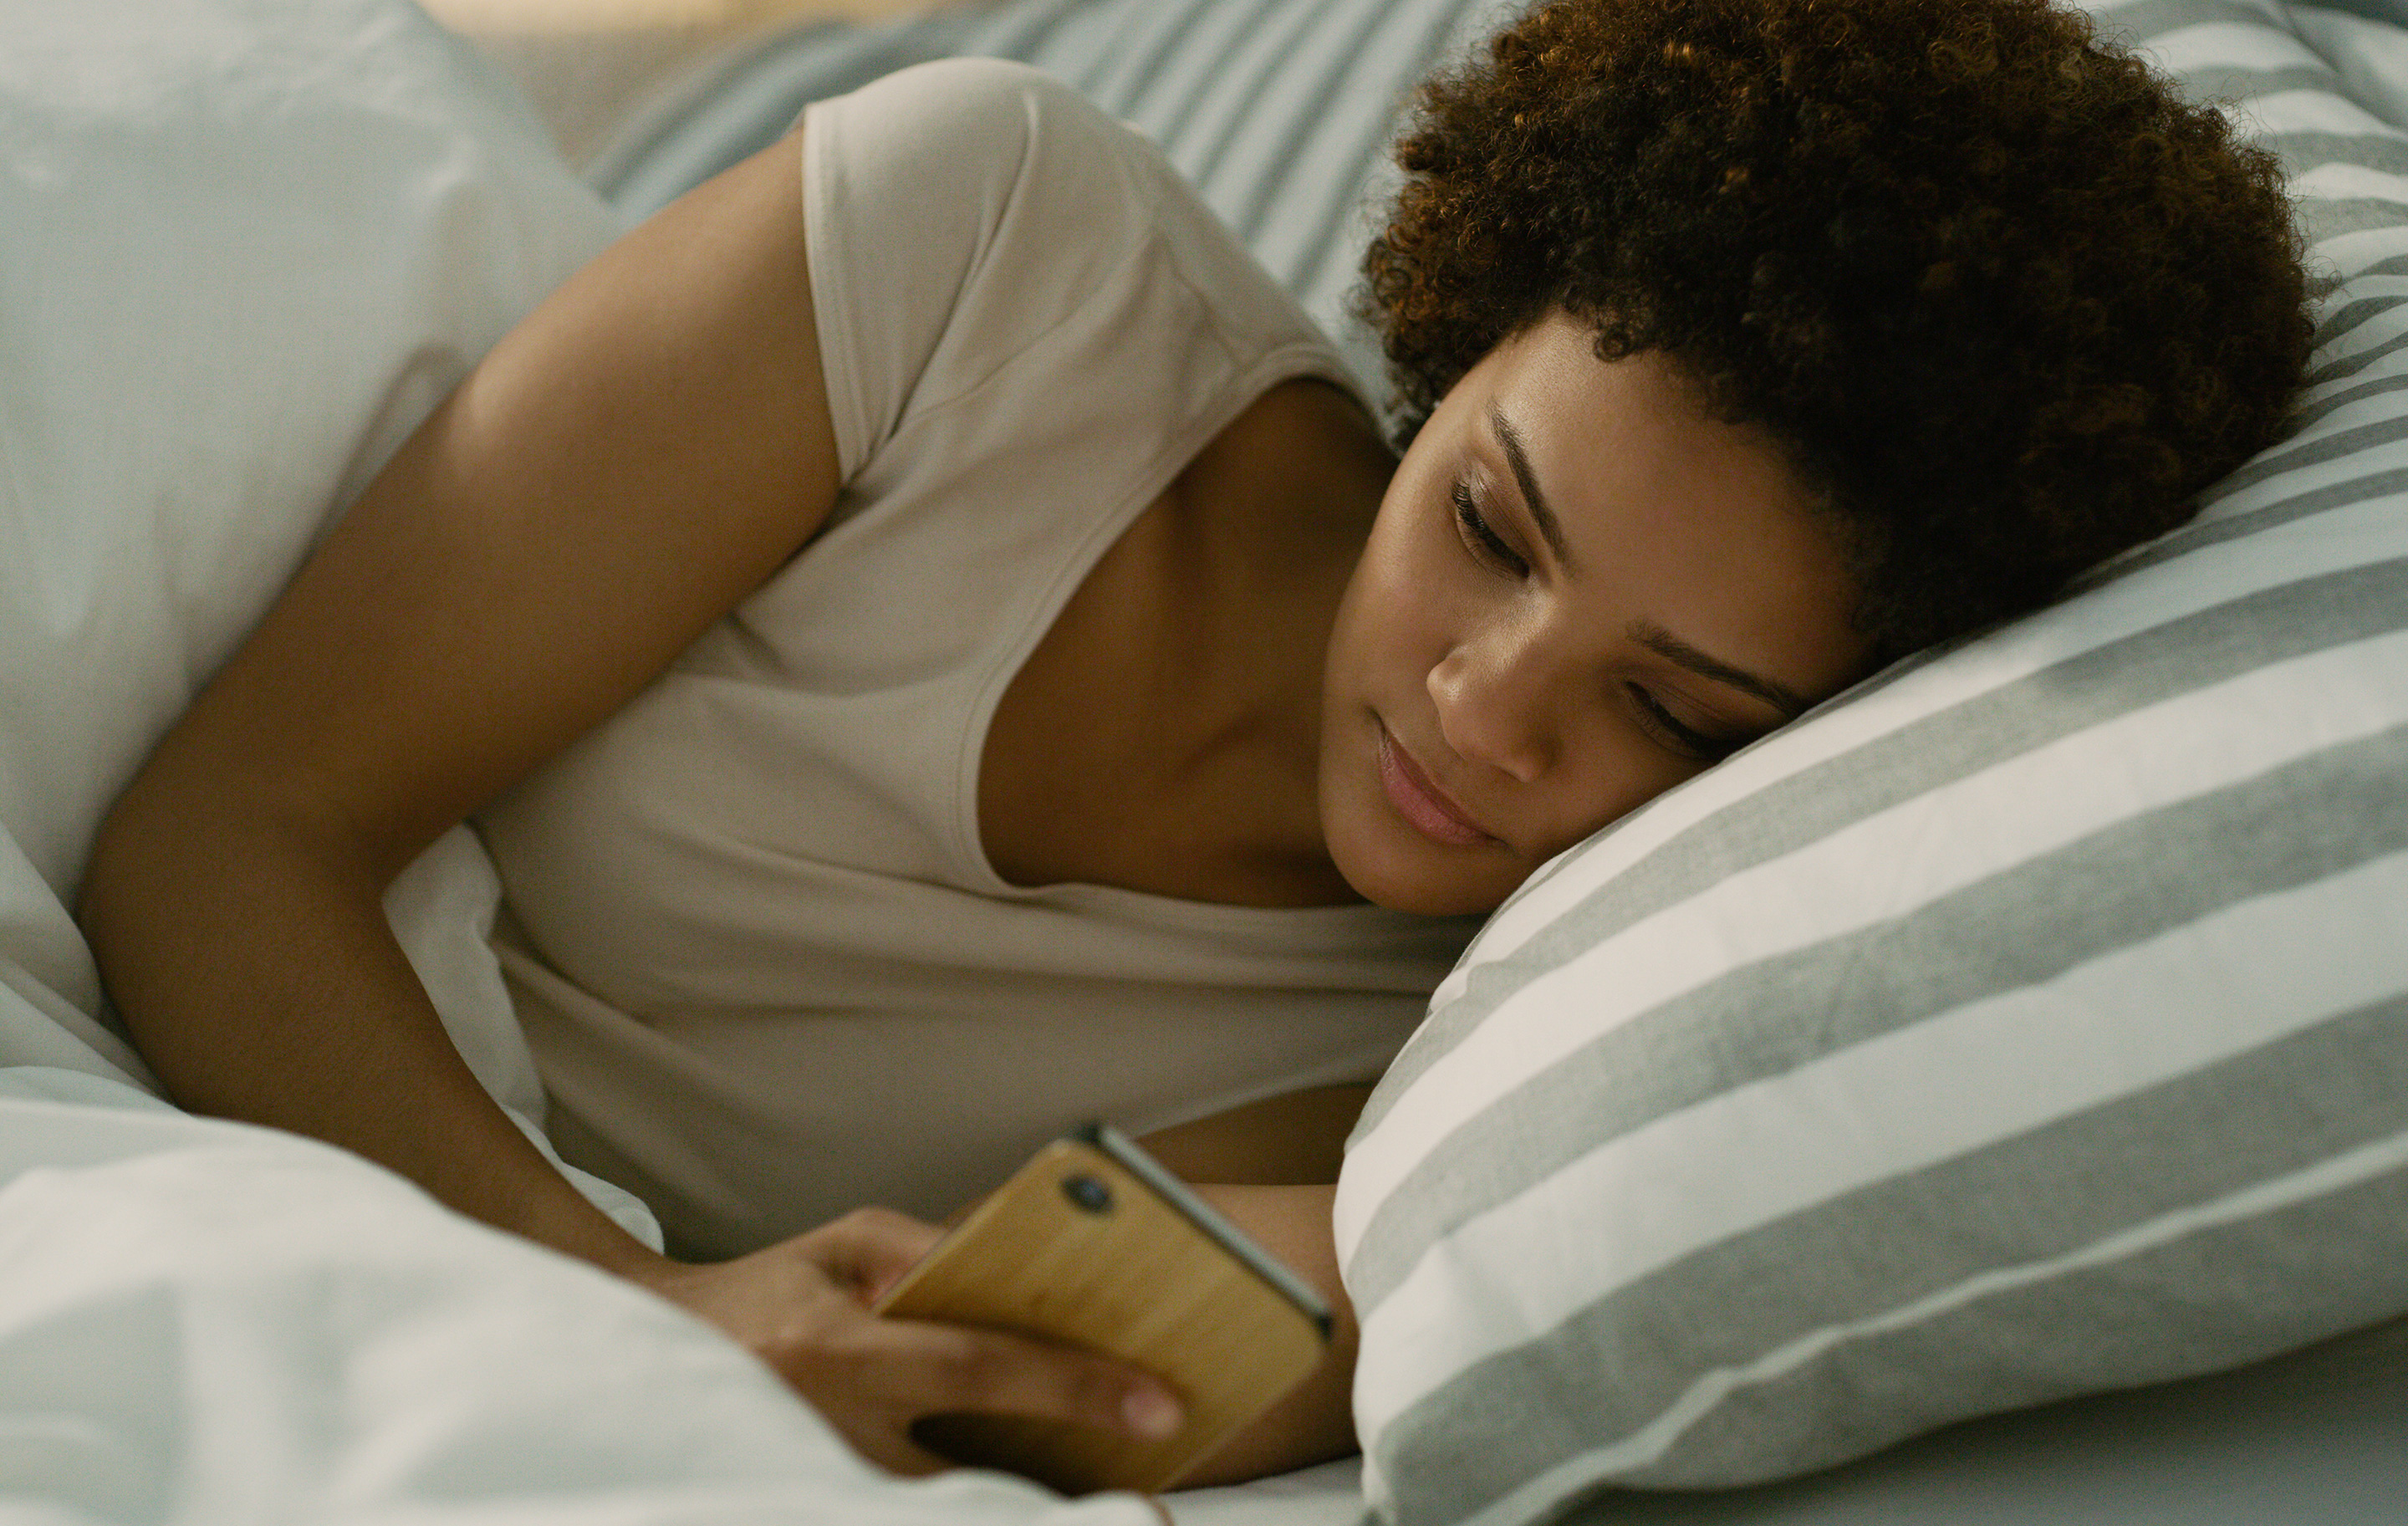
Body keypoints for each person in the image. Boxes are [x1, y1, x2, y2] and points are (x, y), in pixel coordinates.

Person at [78, 0, 2309, 1493]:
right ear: (1457, 333)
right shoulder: (988, 262)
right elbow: (220, 832)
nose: (1481, 707)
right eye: (1490, 524)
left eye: (1669, 705)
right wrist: (637, 1305)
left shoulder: (1509, 1073)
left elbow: (976, 1406)